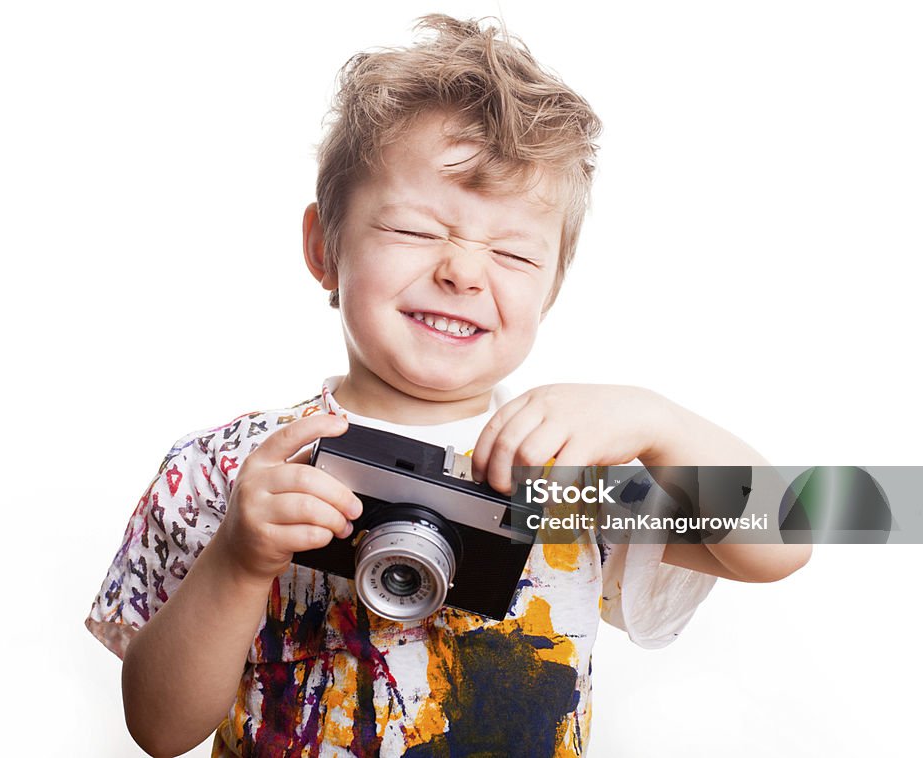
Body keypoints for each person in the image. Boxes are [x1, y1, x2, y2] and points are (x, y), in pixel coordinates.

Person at [85, 15, 810, 757]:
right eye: (414, 232)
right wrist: (239, 560)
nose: (463, 271)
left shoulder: (559, 477)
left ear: (552, 290)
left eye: (513, 254)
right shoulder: (231, 467)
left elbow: (788, 535)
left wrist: (662, 424)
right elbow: (160, 730)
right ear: (323, 248)